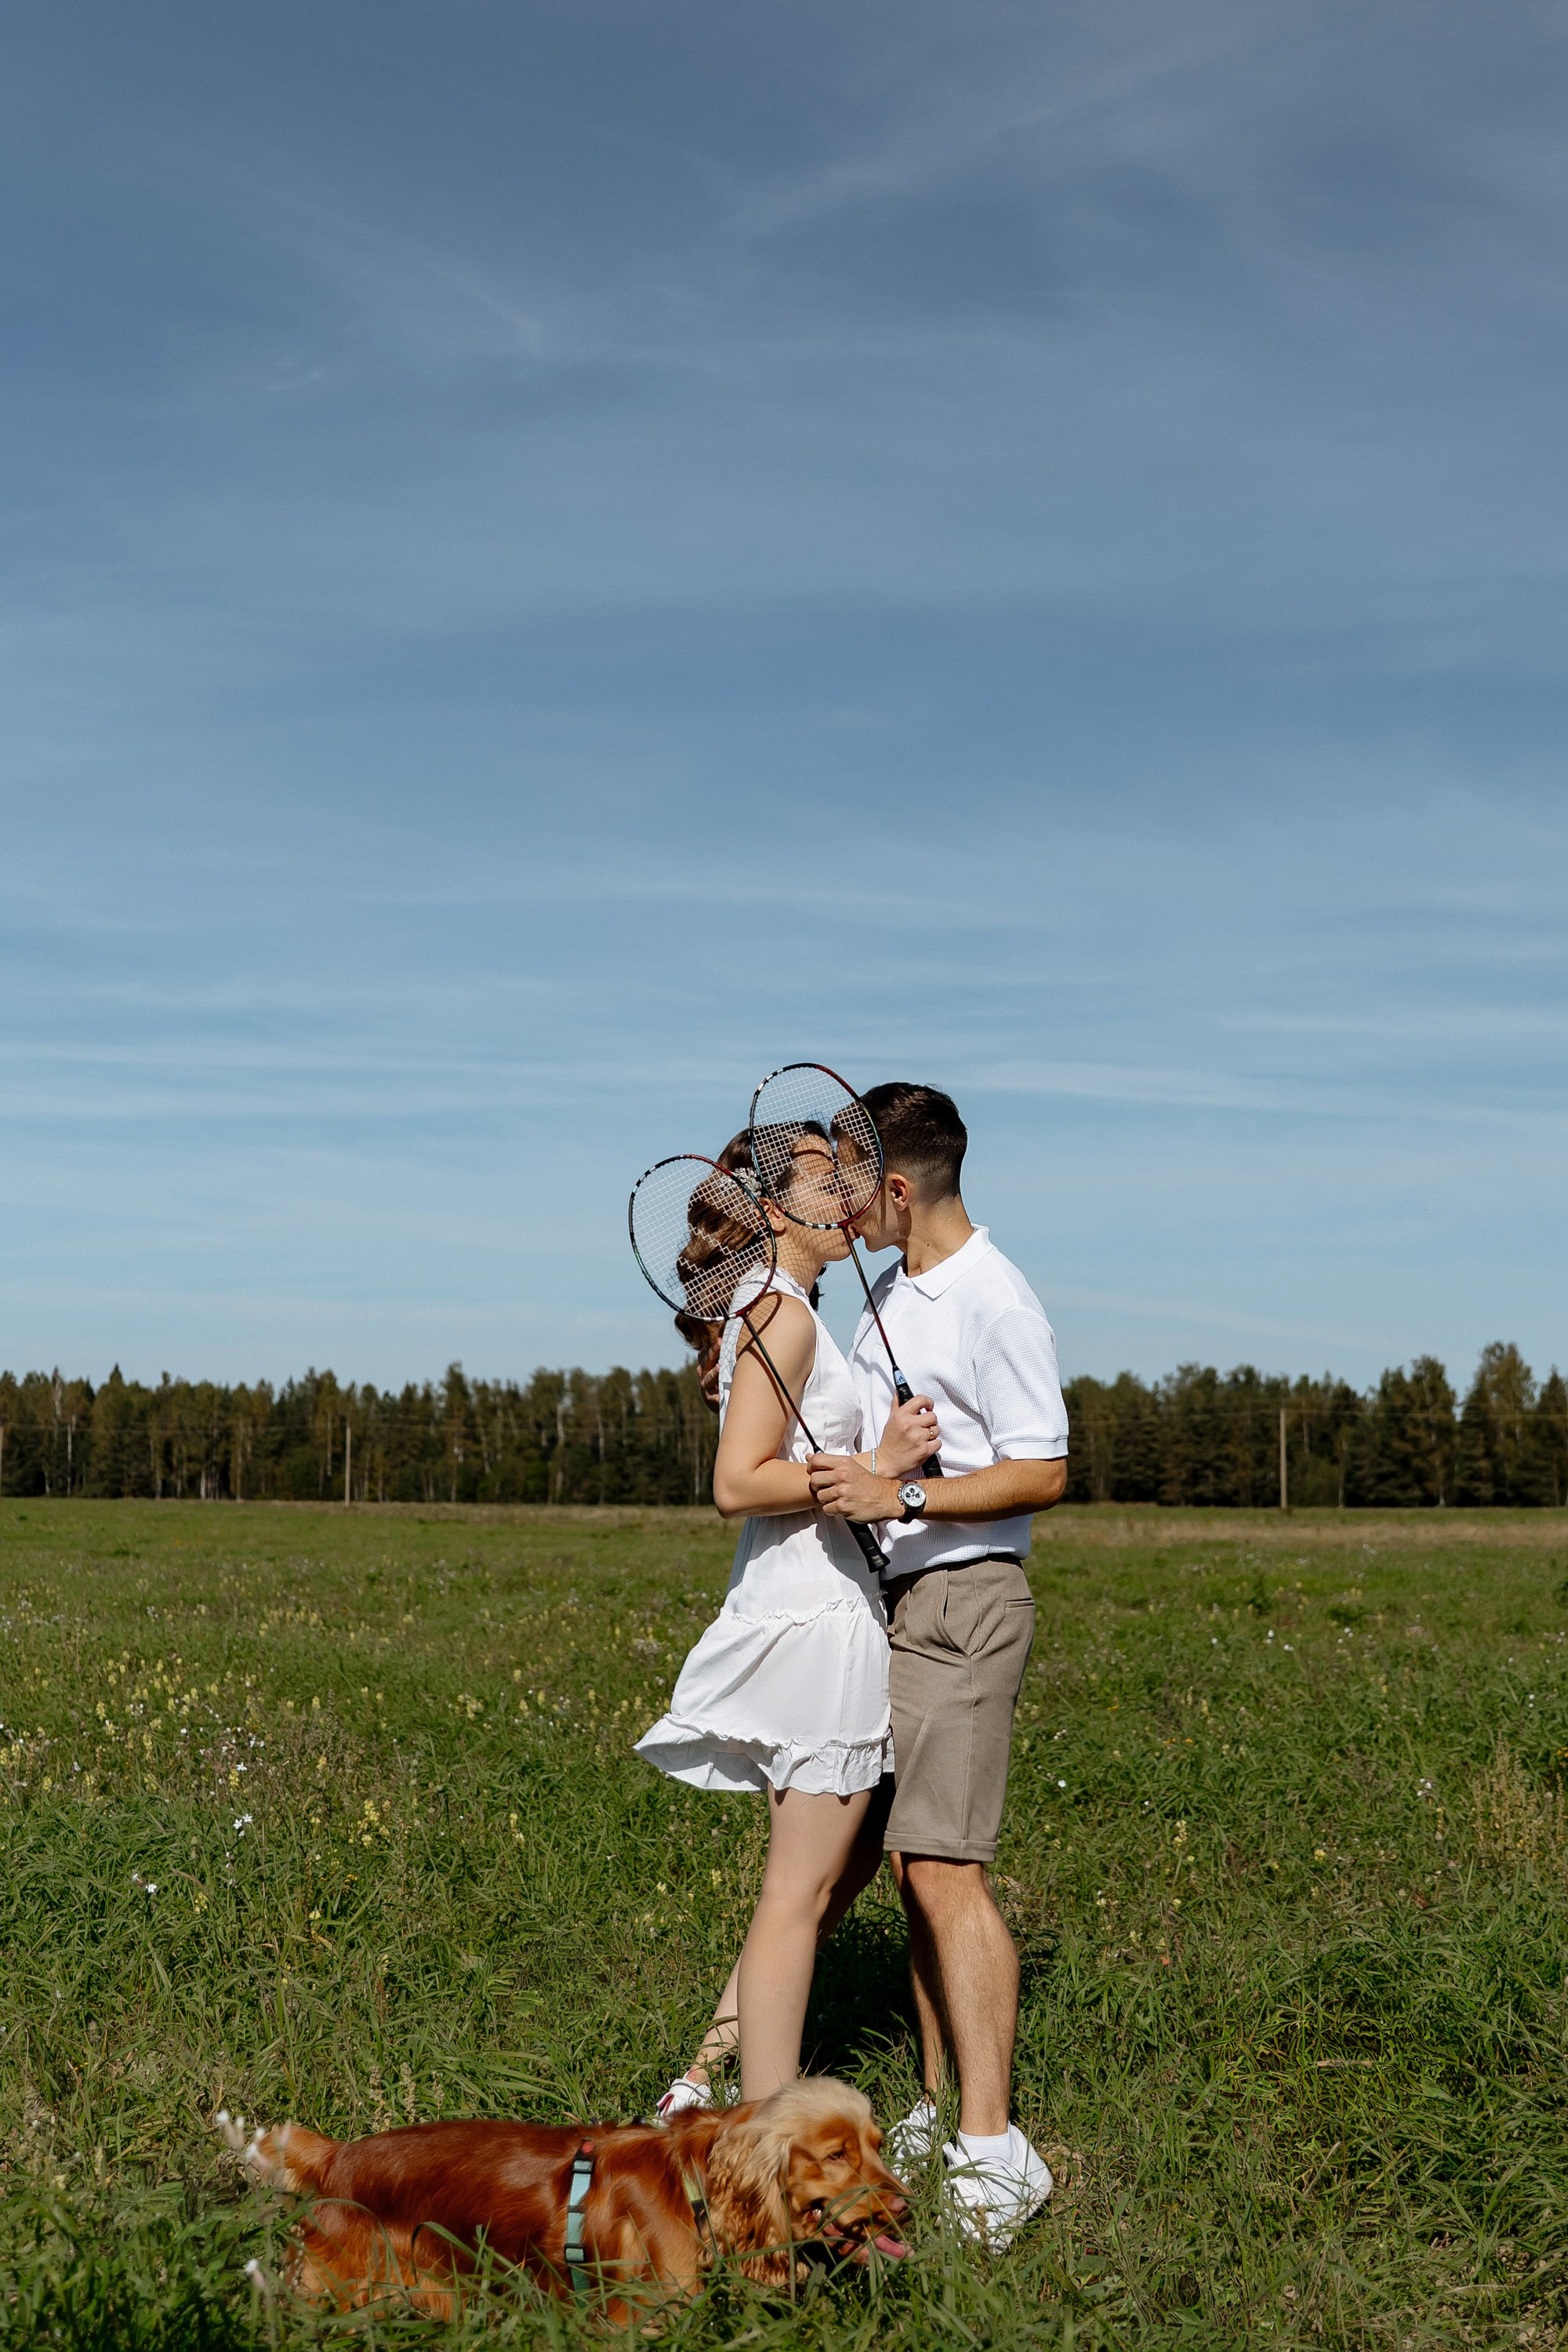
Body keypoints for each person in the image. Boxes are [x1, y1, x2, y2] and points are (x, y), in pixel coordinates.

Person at [806, 1082, 1068, 2249]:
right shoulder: (889, 1300)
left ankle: (994, 2149)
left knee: (948, 1871)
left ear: (898, 1189)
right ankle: (932, 2107)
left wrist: (901, 1492)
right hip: (902, 1602)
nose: (841, 1204)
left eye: (852, 1183)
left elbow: (1043, 1470)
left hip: (966, 1603)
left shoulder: (993, 1299)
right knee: (915, 1865)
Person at [635, 1130, 940, 2112]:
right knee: (796, 1895)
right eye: (823, 1172)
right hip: (813, 1620)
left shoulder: (791, 1311)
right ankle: (765, 2138)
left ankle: (699, 2080)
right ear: (772, 1209)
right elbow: (737, 1481)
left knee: (834, 1875)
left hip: (826, 1602)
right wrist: (882, 1471)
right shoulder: (782, 1313)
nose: (850, 1186)